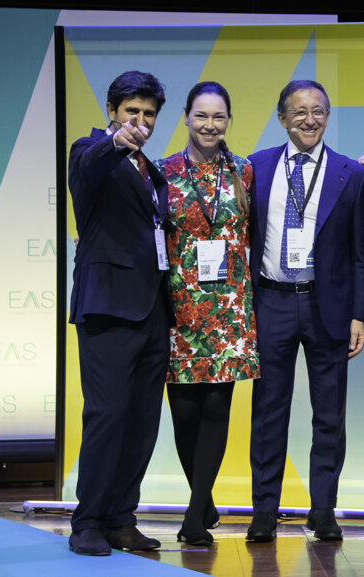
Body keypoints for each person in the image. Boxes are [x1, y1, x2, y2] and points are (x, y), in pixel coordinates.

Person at [246, 80, 364, 542]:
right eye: (299, 112)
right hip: (271, 302)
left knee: (329, 415)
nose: (310, 119)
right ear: (282, 119)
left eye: (318, 111)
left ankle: (324, 510)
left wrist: (359, 315)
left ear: (327, 116)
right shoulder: (254, 168)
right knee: (268, 412)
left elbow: (361, 254)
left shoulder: (350, 173)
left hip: (328, 306)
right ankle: (263, 512)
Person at [67, 70, 170, 556]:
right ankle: (86, 520)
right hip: (107, 305)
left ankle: (120, 518)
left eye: (149, 114)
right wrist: (115, 142)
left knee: (142, 420)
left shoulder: (151, 170)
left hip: (152, 310)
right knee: (106, 415)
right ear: (112, 112)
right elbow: (89, 168)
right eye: (132, 112)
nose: (141, 121)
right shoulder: (90, 151)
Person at [154, 81, 259, 546]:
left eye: (218, 117)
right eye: (201, 116)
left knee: (217, 406)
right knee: (184, 413)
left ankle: (195, 515)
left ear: (228, 121)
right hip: (179, 306)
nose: (210, 125)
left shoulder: (245, 171)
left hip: (231, 306)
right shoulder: (162, 172)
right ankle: (205, 496)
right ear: (186, 117)